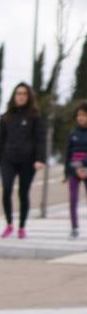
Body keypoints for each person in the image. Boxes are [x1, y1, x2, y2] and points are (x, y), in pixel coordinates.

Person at [0, 82, 47, 239]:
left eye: (24, 93)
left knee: (23, 193)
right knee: (7, 189)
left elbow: (40, 139)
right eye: (18, 93)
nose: (21, 96)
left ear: (28, 96)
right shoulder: (5, 117)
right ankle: (9, 223)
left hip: (28, 161)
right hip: (8, 159)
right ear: (14, 96)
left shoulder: (35, 117)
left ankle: (22, 226)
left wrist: (39, 159)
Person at [62, 101, 87, 239]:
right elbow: (68, 154)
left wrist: (83, 165)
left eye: (83, 115)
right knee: (73, 199)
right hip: (73, 171)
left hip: (86, 169)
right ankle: (74, 227)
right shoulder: (73, 133)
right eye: (79, 115)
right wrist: (66, 172)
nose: (81, 118)